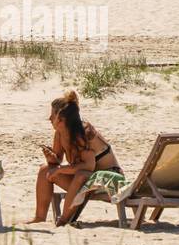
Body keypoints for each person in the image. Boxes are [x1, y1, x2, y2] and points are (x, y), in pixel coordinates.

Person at [31, 90, 122, 226]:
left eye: (52, 114)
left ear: (61, 118)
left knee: (80, 175)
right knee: (45, 170)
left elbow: (88, 166)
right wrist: (51, 159)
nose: (49, 118)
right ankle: (39, 218)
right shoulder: (60, 133)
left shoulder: (84, 132)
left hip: (111, 180)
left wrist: (60, 169)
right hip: (89, 181)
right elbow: (57, 160)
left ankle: (63, 221)